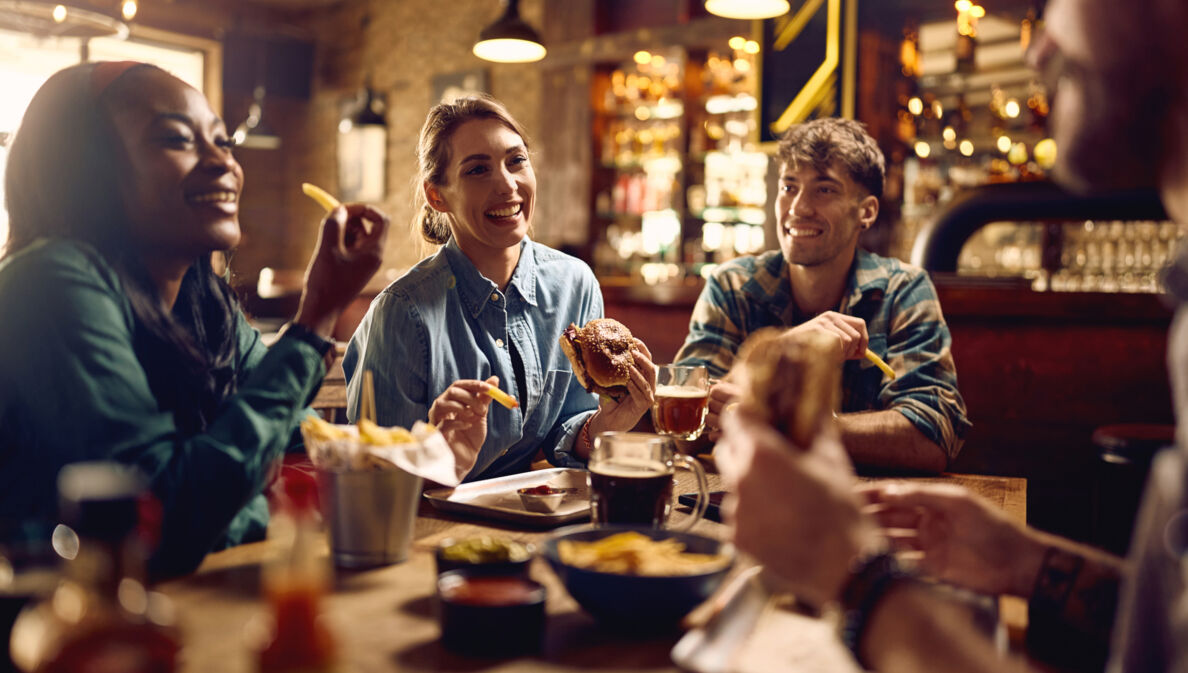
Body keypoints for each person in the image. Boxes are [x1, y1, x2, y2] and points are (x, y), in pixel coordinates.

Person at [721, 0, 1188, 670]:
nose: (1036, 49)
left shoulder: (901, 287)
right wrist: (1031, 562)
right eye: (790, 186)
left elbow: (935, 427)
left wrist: (856, 576)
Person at [0, 62, 388, 579]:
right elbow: (156, 525)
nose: (222, 162)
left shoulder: (206, 307)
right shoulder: (48, 281)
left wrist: (433, 447)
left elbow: (299, 441)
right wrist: (315, 319)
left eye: (224, 142)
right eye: (177, 139)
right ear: (84, 169)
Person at [343, 95, 655, 481]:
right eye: (477, 170)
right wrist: (436, 454)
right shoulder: (404, 311)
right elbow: (373, 475)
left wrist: (606, 426)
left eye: (516, 161)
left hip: (527, 516)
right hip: (429, 522)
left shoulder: (575, 283)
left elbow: (567, 428)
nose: (507, 185)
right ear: (437, 196)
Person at [677, 118, 968, 473]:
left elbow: (933, 435)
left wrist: (797, 423)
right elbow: (682, 427)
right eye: (789, 187)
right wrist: (784, 349)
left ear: (867, 211)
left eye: (824, 189)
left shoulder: (903, 290)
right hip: (743, 499)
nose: (798, 208)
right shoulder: (731, 284)